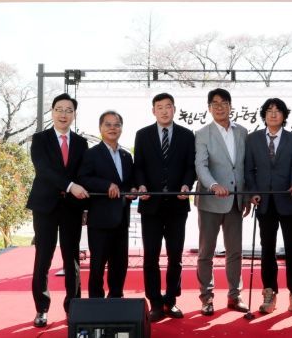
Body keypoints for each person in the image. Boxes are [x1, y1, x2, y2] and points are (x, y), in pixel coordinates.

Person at [26, 93, 89, 327]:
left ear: (74, 114)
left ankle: (73, 307)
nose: (63, 114)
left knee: (72, 258)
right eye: (59, 109)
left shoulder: (81, 143)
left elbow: (83, 175)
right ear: (52, 112)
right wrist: (70, 186)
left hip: (72, 208)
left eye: (69, 110)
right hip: (45, 206)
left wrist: (85, 207)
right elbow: (43, 170)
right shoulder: (40, 139)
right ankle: (41, 308)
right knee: (43, 256)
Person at [244, 98, 292, 316]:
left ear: (284, 115)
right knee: (267, 250)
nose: (273, 114)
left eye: (278, 110)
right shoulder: (252, 139)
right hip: (264, 202)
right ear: (264, 115)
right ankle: (269, 292)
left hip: (290, 199)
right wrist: (253, 192)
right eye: (269, 110)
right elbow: (249, 170)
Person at [134, 93, 196, 321]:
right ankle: (155, 302)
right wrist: (141, 185)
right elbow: (138, 165)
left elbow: (191, 166)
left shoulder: (187, 135)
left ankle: (171, 300)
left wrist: (187, 184)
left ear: (174, 109)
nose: (163, 111)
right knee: (150, 256)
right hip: (150, 205)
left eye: (168, 106)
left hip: (177, 205)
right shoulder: (142, 135)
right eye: (159, 107)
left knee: (175, 256)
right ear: (153, 111)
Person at [195, 88, 250, 316]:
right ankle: (206, 297)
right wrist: (213, 185)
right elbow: (201, 166)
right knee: (206, 252)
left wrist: (246, 196)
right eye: (215, 103)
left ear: (230, 106)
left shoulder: (242, 132)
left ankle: (234, 296)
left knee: (235, 251)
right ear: (209, 108)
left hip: (236, 201)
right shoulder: (202, 134)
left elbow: (245, 166)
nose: (220, 107)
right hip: (211, 201)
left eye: (224, 102)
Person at [78, 111, 136, 300]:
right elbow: (83, 178)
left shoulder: (127, 156)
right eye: (108, 124)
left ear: (121, 128)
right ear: (100, 128)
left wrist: (132, 190)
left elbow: (128, 182)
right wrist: (106, 185)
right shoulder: (91, 154)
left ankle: (116, 299)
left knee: (120, 264)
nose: (112, 128)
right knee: (97, 264)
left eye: (116, 125)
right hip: (100, 219)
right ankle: (96, 302)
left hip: (122, 218)